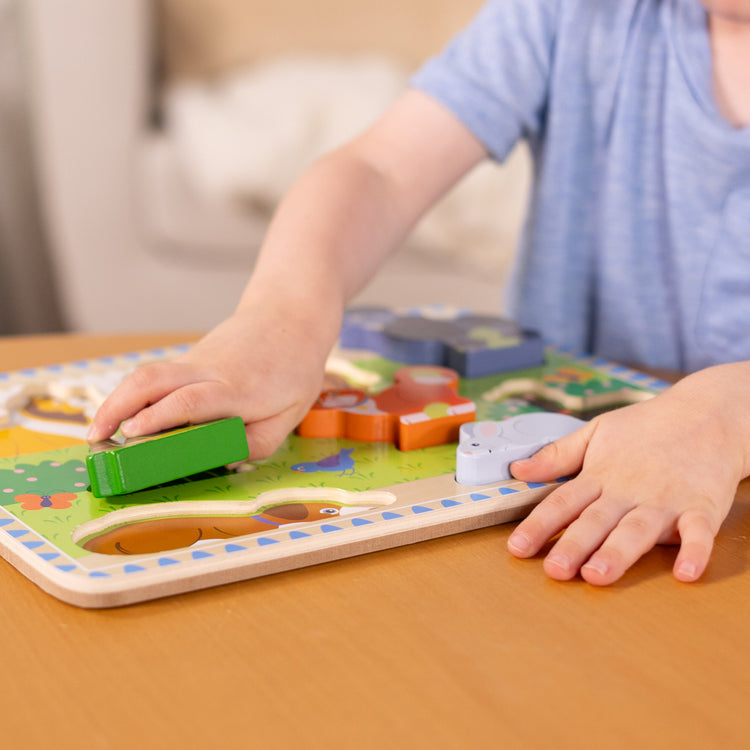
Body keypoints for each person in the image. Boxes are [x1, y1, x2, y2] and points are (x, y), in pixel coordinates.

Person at [87, 0, 750, 585]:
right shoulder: (571, 11)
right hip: (549, 488)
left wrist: (725, 413)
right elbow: (379, 170)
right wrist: (283, 315)